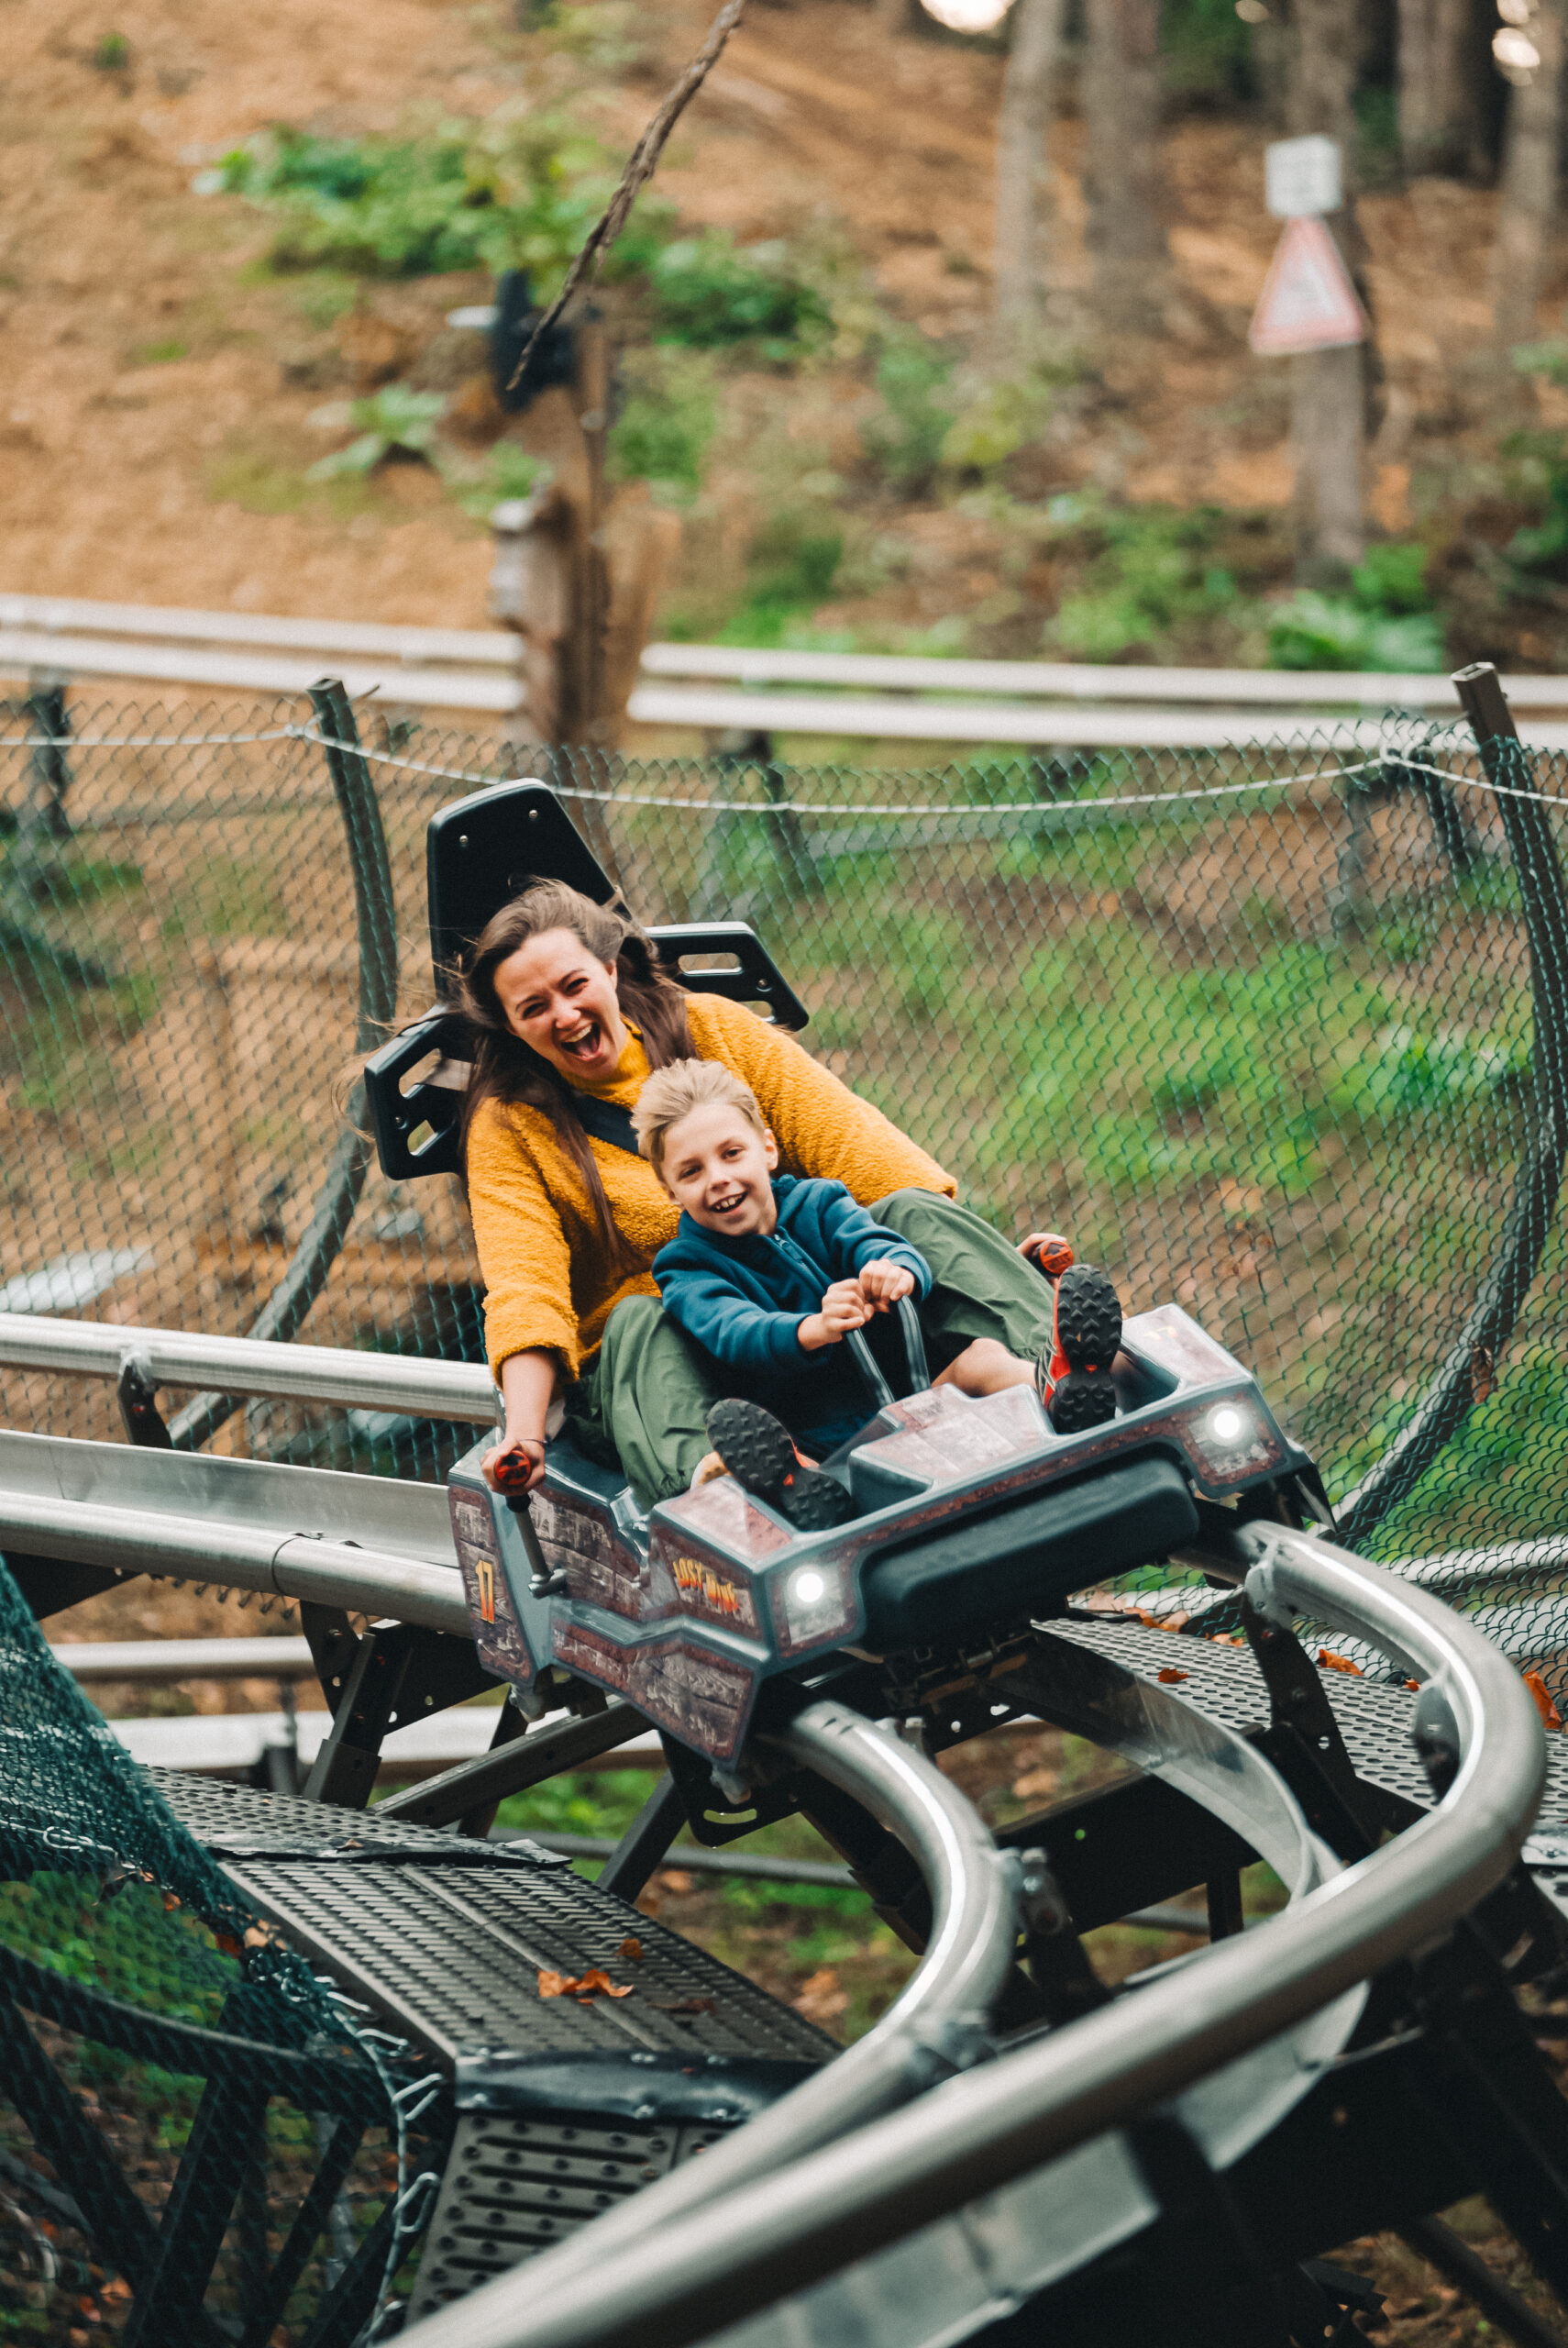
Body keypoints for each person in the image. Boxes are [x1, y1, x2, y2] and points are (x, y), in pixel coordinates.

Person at [458, 878, 1121, 1511]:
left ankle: (1060, 1371)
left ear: (609, 967)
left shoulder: (714, 1030)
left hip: (817, 1320)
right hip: (675, 1364)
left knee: (910, 1212)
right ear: (512, 1027)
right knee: (642, 1320)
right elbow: (527, 1292)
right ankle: (728, 1483)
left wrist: (957, 1262)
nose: (565, 1016)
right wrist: (525, 1434)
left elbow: (868, 1158)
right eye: (534, 1008)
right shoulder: (510, 1124)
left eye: (573, 986)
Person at [631, 1058, 1099, 1527]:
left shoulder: (820, 1203)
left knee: (983, 1356)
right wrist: (811, 1329)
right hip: (825, 1448)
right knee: (784, 1458)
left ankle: (1059, 1390)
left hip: (912, 1400)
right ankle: (801, 1497)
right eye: (691, 1172)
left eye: (731, 1153)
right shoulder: (685, 1266)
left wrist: (897, 1272)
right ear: (670, 1191)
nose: (717, 1178)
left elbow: (879, 1243)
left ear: (768, 1148)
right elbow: (732, 1330)